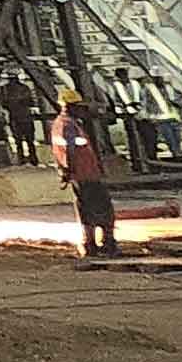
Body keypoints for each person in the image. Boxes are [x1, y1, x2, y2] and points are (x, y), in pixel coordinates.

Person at [52, 87, 118, 259]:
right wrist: (68, 170)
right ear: (69, 106)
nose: (82, 109)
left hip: (82, 173)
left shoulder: (65, 124)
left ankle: (93, 244)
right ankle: (102, 243)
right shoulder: (67, 125)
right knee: (101, 208)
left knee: (87, 208)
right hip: (84, 174)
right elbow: (69, 150)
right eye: (78, 106)